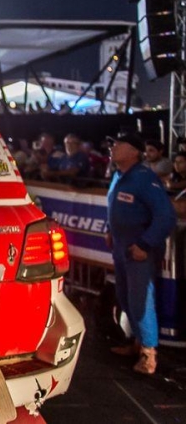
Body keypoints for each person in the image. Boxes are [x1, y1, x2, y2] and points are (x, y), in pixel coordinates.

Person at [105, 132, 176, 374]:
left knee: (141, 301)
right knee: (125, 297)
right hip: (122, 248)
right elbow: (115, 207)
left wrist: (145, 245)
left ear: (134, 152)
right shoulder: (119, 176)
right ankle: (137, 342)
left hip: (139, 250)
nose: (113, 147)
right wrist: (109, 230)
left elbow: (166, 217)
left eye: (119, 144)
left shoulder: (145, 178)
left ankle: (149, 354)